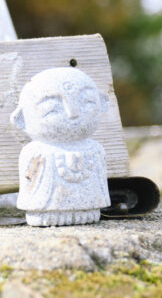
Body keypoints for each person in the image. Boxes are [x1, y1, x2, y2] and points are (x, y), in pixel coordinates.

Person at [11, 67, 111, 226]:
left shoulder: (96, 149)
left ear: (102, 104)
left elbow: (99, 188)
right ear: (22, 118)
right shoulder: (35, 151)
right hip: (44, 214)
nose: (73, 113)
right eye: (52, 108)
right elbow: (32, 188)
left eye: (86, 102)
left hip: (90, 212)